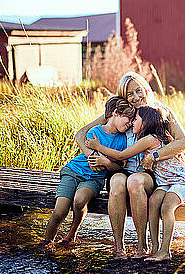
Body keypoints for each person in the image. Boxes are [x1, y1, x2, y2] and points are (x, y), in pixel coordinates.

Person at [75, 72, 185, 258]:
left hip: (148, 173)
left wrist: (154, 155)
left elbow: (183, 143)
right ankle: (118, 247)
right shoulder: (122, 113)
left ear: (146, 89)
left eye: (139, 91)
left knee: (135, 182)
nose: (136, 97)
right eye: (130, 94)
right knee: (118, 183)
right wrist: (92, 156)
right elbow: (81, 133)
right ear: (123, 96)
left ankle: (141, 246)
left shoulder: (160, 112)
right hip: (119, 167)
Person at [85, 106, 185, 261]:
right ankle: (154, 248)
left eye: (136, 119)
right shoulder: (150, 138)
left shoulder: (149, 139)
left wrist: (98, 147)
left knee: (166, 207)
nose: (133, 123)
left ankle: (165, 250)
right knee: (153, 202)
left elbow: (121, 155)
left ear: (145, 122)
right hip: (165, 182)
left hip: (181, 181)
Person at [42, 96, 135, 249]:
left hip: (94, 180)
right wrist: (109, 160)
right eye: (128, 118)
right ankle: (46, 244)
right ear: (116, 113)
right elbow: (94, 163)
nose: (130, 124)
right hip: (73, 172)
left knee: (79, 200)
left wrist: (106, 162)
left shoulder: (123, 140)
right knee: (60, 210)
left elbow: (118, 166)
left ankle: (72, 234)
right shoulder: (95, 131)